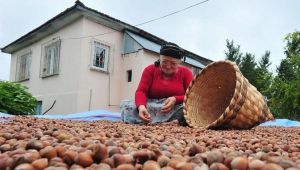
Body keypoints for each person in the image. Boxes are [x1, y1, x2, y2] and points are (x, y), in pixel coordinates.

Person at [121, 42, 194, 125]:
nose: (168, 66)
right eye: (164, 61)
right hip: (152, 106)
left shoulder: (186, 73)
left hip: (175, 108)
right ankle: (152, 120)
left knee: (189, 108)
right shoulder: (150, 70)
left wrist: (176, 99)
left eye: (173, 63)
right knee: (128, 107)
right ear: (160, 59)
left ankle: (175, 121)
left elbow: (191, 96)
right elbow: (141, 92)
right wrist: (141, 107)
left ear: (179, 62)